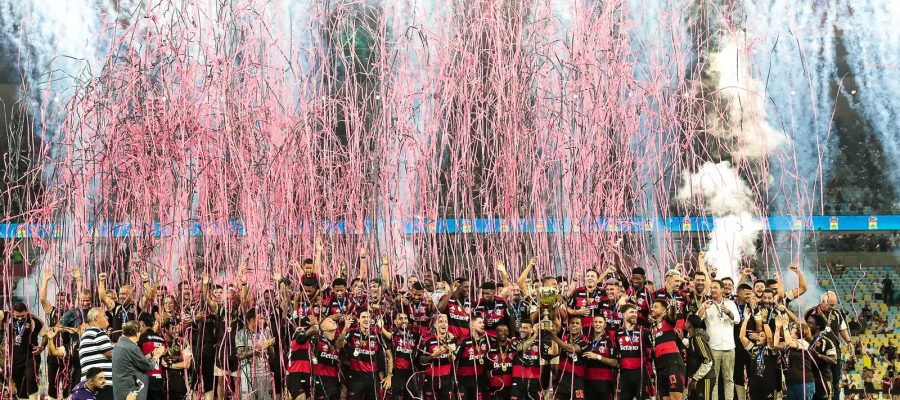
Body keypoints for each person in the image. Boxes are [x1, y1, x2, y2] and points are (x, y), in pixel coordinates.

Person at [804, 291, 853, 400]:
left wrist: (849, 341)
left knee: (836, 379)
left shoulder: (837, 313)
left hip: (834, 353)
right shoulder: (811, 312)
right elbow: (805, 330)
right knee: (815, 377)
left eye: (834, 305)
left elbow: (842, 329)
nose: (833, 307)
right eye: (831, 305)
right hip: (816, 353)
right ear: (823, 302)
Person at [698, 280, 739, 400]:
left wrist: (728, 312)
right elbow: (696, 321)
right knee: (713, 379)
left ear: (722, 289)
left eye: (715, 287)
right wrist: (703, 309)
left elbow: (737, 319)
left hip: (729, 347)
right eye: (711, 288)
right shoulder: (706, 304)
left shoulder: (730, 303)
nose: (713, 290)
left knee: (729, 378)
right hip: (713, 347)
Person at [343, 310, 391, 400]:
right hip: (355, 377)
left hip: (372, 378)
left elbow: (389, 356)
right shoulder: (352, 333)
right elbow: (338, 345)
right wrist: (345, 329)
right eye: (363, 317)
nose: (366, 319)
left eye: (368, 317)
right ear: (358, 320)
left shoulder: (377, 335)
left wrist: (389, 376)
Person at [113, 321, 165, 400]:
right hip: (132, 393)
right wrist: (156, 356)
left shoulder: (118, 345)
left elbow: (135, 360)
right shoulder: (132, 347)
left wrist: (150, 355)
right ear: (137, 333)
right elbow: (149, 366)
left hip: (121, 391)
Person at [4, 302, 45, 400]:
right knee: (20, 385)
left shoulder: (35, 320)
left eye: (22, 316)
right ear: (13, 313)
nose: (19, 318)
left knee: (31, 379)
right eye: (17, 316)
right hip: (15, 358)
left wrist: (41, 347)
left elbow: (46, 336)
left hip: (31, 356)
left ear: (27, 311)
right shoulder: (9, 318)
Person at [235, 308, 276, 400]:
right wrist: (260, 348)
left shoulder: (266, 332)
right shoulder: (241, 334)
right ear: (252, 320)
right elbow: (240, 355)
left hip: (265, 374)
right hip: (248, 375)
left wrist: (270, 347)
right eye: (261, 318)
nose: (264, 320)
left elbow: (273, 357)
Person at [650, 298, 687, 400]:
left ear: (664, 311)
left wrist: (673, 307)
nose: (652, 309)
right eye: (652, 306)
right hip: (661, 368)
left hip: (673, 365)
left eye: (655, 307)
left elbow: (672, 316)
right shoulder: (653, 329)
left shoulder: (668, 321)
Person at [614, 303, 652, 400]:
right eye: (631, 312)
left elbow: (651, 350)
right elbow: (616, 353)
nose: (635, 314)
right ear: (623, 315)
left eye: (636, 312)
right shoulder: (618, 333)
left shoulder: (644, 331)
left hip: (640, 374)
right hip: (624, 374)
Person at [774, 315, 815, 400]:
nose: (790, 329)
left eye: (793, 328)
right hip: (791, 382)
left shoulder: (804, 342)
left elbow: (789, 342)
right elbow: (776, 344)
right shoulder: (789, 344)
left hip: (804, 382)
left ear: (800, 331)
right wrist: (778, 327)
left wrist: (785, 325)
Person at [80, 307, 115, 400]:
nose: (107, 317)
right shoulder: (98, 332)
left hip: (89, 386)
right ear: (96, 318)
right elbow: (111, 354)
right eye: (104, 315)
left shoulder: (86, 334)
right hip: (101, 386)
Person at [582, 315, 618, 400]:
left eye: (600, 322)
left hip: (605, 385)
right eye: (595, 322)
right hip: (588, 383)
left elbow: (615, 362)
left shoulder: (610, 341)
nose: (598, 324)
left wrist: (597, 356)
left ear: (605, 325)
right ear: (592, 324)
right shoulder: (587, 341)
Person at [806, 314, 837, 400]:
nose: (808, 325)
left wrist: (819, 355)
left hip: (823, 380)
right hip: (808, 380)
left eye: (811, 323)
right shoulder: (805, 341)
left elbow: (834, 360)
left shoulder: (826, 341)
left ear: (818, 326)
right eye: (807, 323)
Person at [684, 314, 714, 400]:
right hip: (697, 378)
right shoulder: (693, 338)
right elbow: (692, 348)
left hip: (705, 378)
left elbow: (707, 361)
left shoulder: (697, 338)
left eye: (686, 321)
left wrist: (695, 379)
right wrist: (682, 338)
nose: (684, 322)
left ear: (689, 325)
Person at [71, 368, 137, 400]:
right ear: (91, 382)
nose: (104, 381)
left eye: (104, 378)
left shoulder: (105, 388)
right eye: (100, 379)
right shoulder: (80, 396)